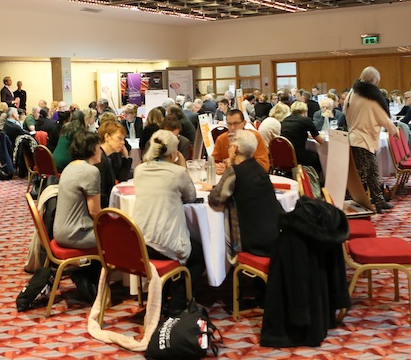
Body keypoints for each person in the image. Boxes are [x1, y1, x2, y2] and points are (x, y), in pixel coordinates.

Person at [132, 130, 202, 312]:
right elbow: (190, 196)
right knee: (200, 256)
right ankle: (177, 303)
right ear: (173, 153)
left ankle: (163, 296)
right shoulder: (178, 173)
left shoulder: (139, 170)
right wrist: (182, 166)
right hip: (163, 243)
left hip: (139, 241)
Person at [209, 130, 283, 257]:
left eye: (229, 146)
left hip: (251, 240)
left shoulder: (235, 171)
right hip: (274, 235)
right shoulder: (259, 168)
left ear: (235, 149)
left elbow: (215, 199)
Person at [53, 131, 103, 303]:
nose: (101, 151)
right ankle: (99, 285)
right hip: (76, 234)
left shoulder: (70, 166)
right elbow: (95, 212)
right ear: (92, 149)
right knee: (123, 237)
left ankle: (86, 277)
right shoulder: (90, 171)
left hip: (60, 230)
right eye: (99, 147)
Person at [343, 66, 399, 212]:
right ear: (374, 81)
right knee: (361, 176)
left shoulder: (352, 93)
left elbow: (345, 111)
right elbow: (382, 117)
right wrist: (394, 130)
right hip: (363, 139)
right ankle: (354, 205)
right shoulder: (370, 97)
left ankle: (379, 201)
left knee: (372, 173)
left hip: (355, 137)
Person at [213, 109, 270, 174]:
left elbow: (264, 166)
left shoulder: (254, 138)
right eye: (229, 124)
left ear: (244, 123)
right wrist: (218, 167)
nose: (233, 128)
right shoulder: (221, 139)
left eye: (236, 123)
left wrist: (234, 165)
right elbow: (213, 161)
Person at [281, 101, 325, 174]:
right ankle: (313, 178)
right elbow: (320, 140)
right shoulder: (306, 120)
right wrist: (323, 136)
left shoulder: (285, 120)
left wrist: (307, 135)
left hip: (286, 155)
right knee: (317, 158)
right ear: (305, 111)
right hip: (299, 155)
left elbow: (294, 133)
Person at [95, 121, 131, 207]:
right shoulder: (100, 160)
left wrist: (126, 158)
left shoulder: (109, 157)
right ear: (107, 137)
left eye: (123, 139)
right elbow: (101, 193)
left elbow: (122, 179)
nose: (123, 143)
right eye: (119, 138)